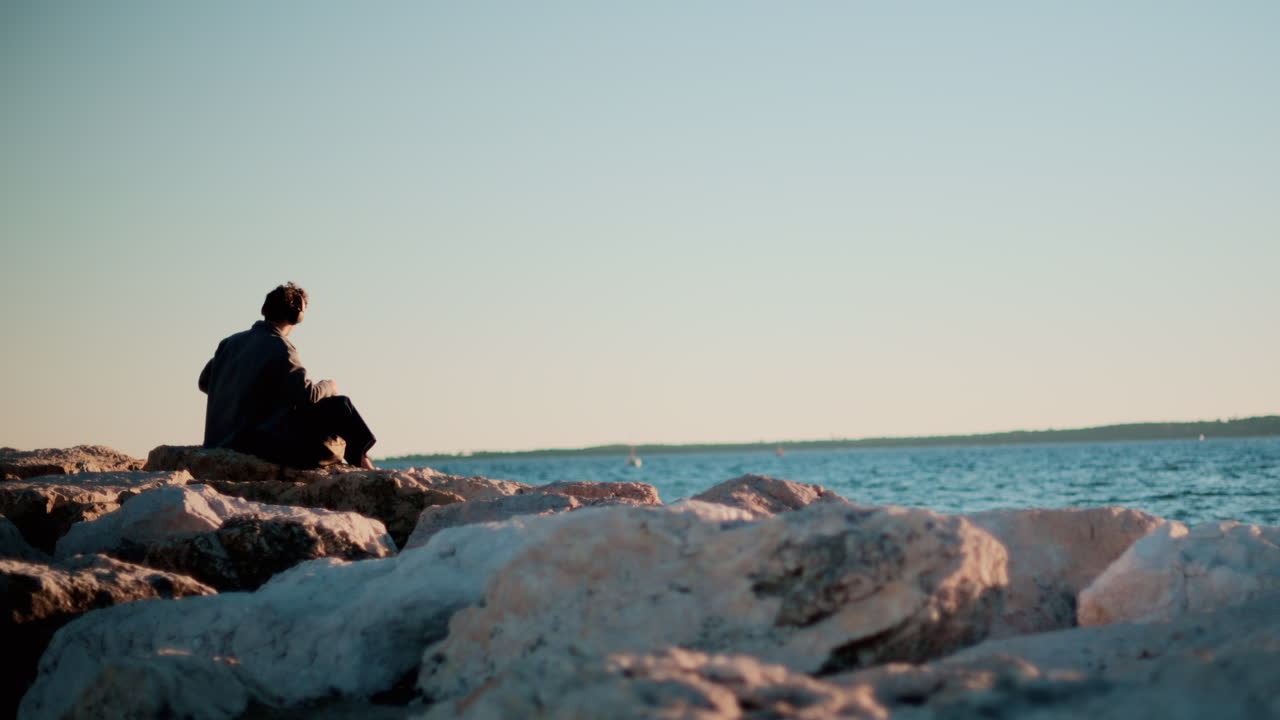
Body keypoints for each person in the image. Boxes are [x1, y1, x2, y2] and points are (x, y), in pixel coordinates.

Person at [198, 282, 376, 469]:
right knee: (340, 406)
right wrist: (329, 386)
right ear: (297, 314)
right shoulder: (280, 347)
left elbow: (204, 383)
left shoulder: (229, 343)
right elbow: (308, 396)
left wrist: (243, 394)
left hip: (219, 440)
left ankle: (358, 458)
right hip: (256, 443)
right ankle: (363, 462)